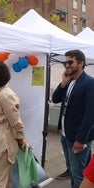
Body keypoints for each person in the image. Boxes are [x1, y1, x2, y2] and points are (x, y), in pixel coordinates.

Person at [52, 49, 94, 187]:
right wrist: (63, 83)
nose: (67, 65)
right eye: (65, 62)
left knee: (78, 175)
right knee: (75, 170)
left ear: (81, 63)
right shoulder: (69, 81)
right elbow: (55, 98)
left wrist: (80, 140)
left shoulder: (89, 83)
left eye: (70, 62)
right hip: (66, 135)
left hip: (78, 138)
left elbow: (90, 115)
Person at [0, 62, 28, 188]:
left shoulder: (5, 95)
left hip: (4, 143)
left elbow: (15, 121)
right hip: (0, 141)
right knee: (5, 182)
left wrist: (21, 139)